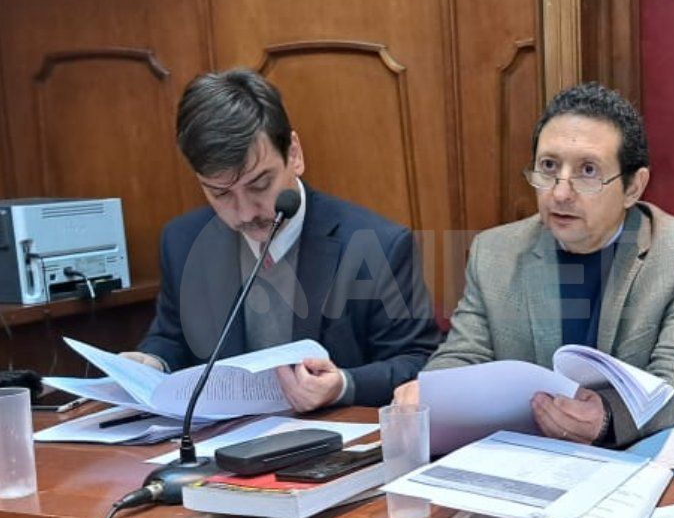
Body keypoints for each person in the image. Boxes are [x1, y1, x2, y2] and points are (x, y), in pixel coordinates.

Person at [393, 82, 674, 448]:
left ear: (633, 187)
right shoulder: (495, 252)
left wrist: (608, 416)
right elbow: (465, 354)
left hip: (637, 460)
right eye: (549, 166)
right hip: (527, 461)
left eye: (587, 171)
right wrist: (432, 394)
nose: (560, 192)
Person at [124, 69, 442, 409]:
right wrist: (151, 363)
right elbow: (171, 337)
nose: (245, 213)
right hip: (220, 446)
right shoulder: (183, 242)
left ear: (294, 154)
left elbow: (418, 361)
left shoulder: (376, 244)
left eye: (259, 185)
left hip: (331, 445)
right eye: (220, 194)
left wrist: (343, 385)